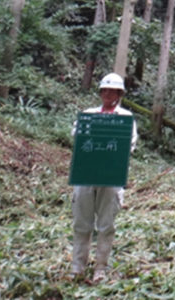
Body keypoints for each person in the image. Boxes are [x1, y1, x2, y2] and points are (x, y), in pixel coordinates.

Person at [71, 72, 138, 282]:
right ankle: (77, 268)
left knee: (106, 225)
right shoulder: (88, 114)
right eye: (105, 90)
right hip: (86, 175)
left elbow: (129, 146)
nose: (108, 94)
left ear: (119, 94)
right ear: (100, 92)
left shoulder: (125, 118)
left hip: (111, 177)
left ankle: (101, 267)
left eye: (113, 91)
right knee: (82, 224)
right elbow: (78, 137)